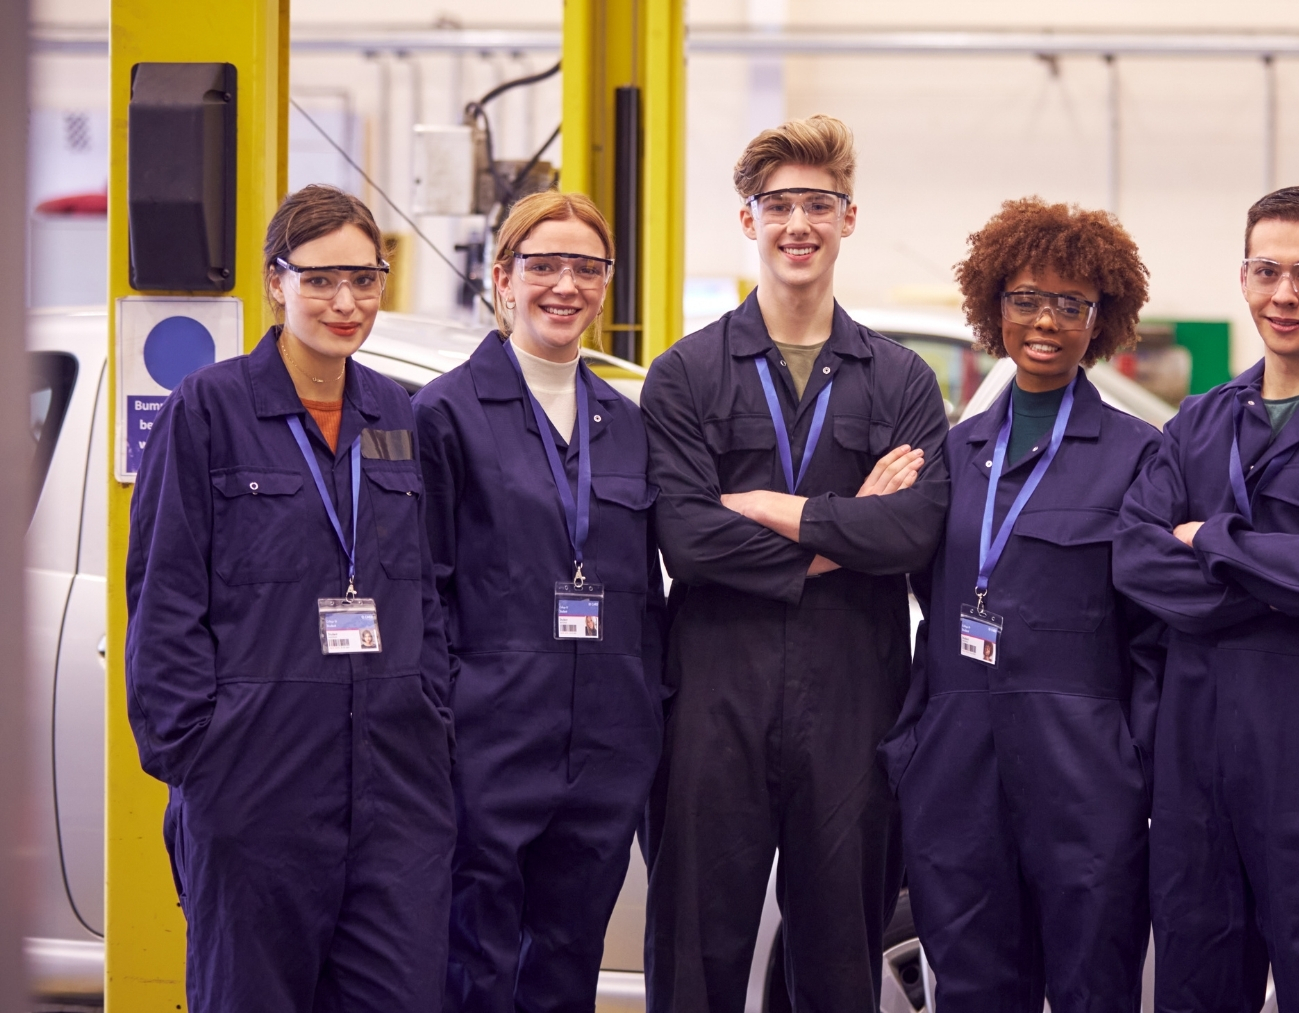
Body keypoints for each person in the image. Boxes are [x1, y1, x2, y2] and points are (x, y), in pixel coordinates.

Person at [640, 115, 949, 1012]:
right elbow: (688, 539)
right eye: (779, 205)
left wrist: (779, 510)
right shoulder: (686, 374)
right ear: (748, 220)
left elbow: (914, 533)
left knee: (838, 958)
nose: (799, 225)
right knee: (695, 950)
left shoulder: (901, 380)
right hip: (712, 695)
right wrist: (847, 530)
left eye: (820, 204)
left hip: (853, 694)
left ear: (849, 218)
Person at [125, 184, 454, 1012]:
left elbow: (430, 591)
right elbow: (162, 595)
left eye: (365, 280)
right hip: (256, 789)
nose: (345, 302)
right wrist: (201, 761)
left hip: (393, 792)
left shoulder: (400, 416)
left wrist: (431, 715)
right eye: (320, 279)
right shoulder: (211, 409)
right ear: (277, 282)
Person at [1114, 186, 1299, 1013]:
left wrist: (1204, 537)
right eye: (1267, 271)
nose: (1285, 294)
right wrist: (1287, 567)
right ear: (1243, 278)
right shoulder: (1199, 421)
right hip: (1193, 761)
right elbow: (1135, 557)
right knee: (1195, 982)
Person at [879, 198, 1164, 1012]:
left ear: (1100, 319)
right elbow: (915, 589)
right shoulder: (952, 453)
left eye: (1071, 304)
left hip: (1084, 776)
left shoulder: (1141, 457)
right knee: (969, 986)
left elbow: (1153, 637)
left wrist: (1129, 764)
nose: (1045, 320)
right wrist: (919, 746)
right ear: (992, 305)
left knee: (1091, 984)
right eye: (1026, 298)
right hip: (959, 768)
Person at [414, 191, 665, 1012]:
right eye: (544, 265)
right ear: (503, 278)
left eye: (586, 267)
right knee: (473, 966)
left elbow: (647, 587)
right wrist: (447, 724)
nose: (566, 285)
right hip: (487, 743)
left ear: (606, 284)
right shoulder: (444, 414)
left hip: (603, 748)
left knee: (568, 964)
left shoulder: (627, 425)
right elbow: (424, 589)